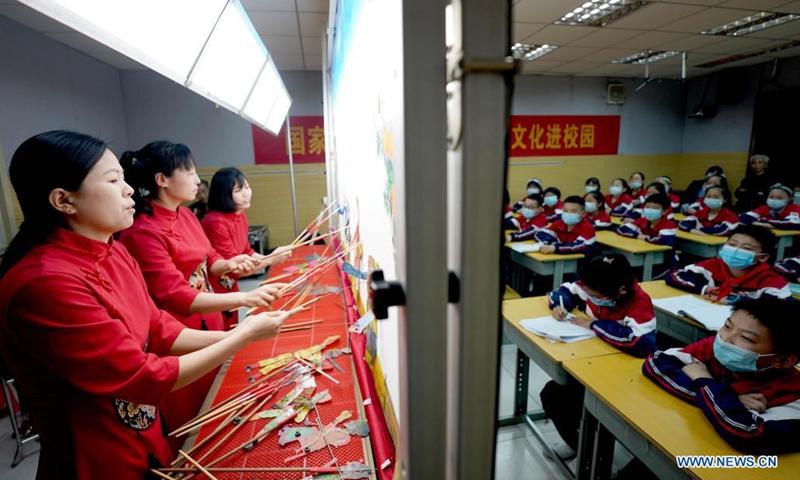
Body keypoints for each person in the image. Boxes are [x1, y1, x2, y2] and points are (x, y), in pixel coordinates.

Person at [0, 131, 300, 479]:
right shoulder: (44, 283)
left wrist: (237, 335)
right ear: (63, 200)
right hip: (99, 457)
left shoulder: (113, 249)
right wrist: (241, 337)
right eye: (113, 181)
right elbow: (140, 375)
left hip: (145, 433)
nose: (129, 190)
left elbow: (157, 326)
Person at [118, 141, 283, 446]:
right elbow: (176, 295)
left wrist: (228, 264)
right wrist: (244, 297)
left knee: (220, 397)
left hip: (210, 319)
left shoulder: (186, 215)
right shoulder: (143, 231)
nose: (197, 179)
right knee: (193, 422)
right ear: (162, 180)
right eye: (190, 172)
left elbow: (210, 258)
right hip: (180, 335)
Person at [643, 298, 800, 454]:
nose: (726, 338)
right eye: (727, 326)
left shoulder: (793, 394)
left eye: (745, 338)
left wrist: (705, 381)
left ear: (783, 360)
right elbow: (655, 363)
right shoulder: (715, 350)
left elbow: (749, 434)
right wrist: (728, 398)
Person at [540, 254, 657, 459]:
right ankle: (578, 445)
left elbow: (643, 343)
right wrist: (560, 304)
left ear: (620, 291)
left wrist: (596, 325)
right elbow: (566, 289)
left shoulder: (639, 301)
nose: (589, 296)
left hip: (623, 376)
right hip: (591, 361)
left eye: (595, 295)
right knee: (552, 395)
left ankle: (593, 455)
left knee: (584, 405)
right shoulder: (595, 284)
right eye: (588, 292)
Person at [202, 168, 293, 327]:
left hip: (231, 285)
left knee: (232, 326)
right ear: (224, 194)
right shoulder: (215, 222)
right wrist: (271, 259)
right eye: (239, 190)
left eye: (247, 187)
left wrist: (272, 257)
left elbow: (246, 251)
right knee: (222, 332)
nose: (246, 193)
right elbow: (235, 267)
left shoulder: (239, 214)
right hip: (215, 289)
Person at [665, 225, 790, 302]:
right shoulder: (715, 265)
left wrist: (733, 300)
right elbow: (674, 275)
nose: (735, 250)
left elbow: (782, 308)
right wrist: (705, 289)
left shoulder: (770, 279)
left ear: (763, 257)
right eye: (732, 244)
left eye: (746, 248)